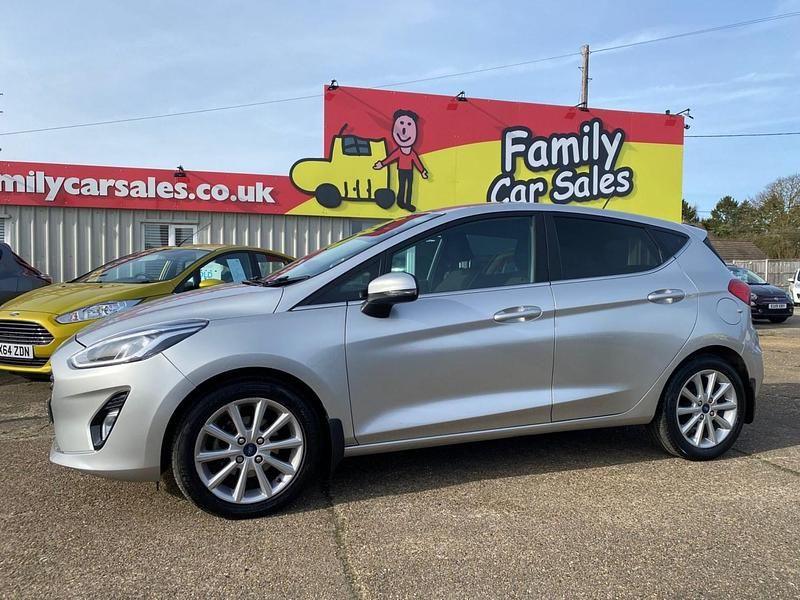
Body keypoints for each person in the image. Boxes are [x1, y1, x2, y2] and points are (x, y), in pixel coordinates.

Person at [373, 109, 428, 211]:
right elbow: (391, 158)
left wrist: (422, 171)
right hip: (401, 170)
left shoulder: (411, 153)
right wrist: (381, 164)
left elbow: (417, 162)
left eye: (408, 125)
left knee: (409, 186)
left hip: (410, 171)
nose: (404, 130)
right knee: (402, 186)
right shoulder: (399, 151)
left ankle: (407, 203)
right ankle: (400, 201)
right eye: (401, 123)